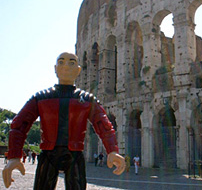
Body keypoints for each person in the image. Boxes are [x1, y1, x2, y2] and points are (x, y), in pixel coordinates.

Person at [2, 52, 125, 189]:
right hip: (49, 153)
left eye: (71, 63)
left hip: (74, 154)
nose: (66, 66)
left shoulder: (87, 99)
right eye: (61, 62)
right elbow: (19, 126)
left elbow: (103, 125)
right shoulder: (41, 97)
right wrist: (14, 156)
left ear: (78, 70)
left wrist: (112, 150)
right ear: (55, 68)